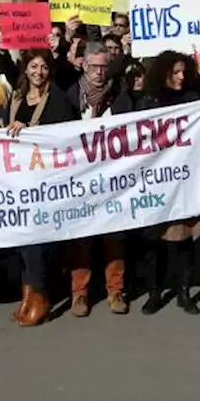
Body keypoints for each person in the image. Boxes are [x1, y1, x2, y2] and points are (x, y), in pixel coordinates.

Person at [136, 51, 200, 315]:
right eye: (176, 72)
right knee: (155, 242)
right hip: (157, 181)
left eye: (184, 72)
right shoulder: (149, 101)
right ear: (164, 72)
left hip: (183, 181)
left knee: (183, 240)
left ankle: (183, 292)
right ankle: (155, 292)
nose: (181, 77)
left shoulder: (192, 101)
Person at [1, 50, 76, 326]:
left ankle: (41, 296)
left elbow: (60, 135)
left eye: (44, 67)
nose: (38, 72)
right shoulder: (17, 97)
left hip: (45, 180)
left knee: (37, 242)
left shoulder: (57, 99)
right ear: (26, 69)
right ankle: (27, 294)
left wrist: (30, 131)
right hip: (18, 178)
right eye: (34, 66)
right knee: (23, 242)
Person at [63, 43, 128, 316]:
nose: (100, 72)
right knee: (83, 238)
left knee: (114, 236)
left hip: (113, 178)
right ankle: (80, 294)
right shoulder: (69, 97)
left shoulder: (119, 97)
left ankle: (116, 291)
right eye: (95, 67)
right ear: (84, 66)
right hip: (80, 178)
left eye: (104, 66)